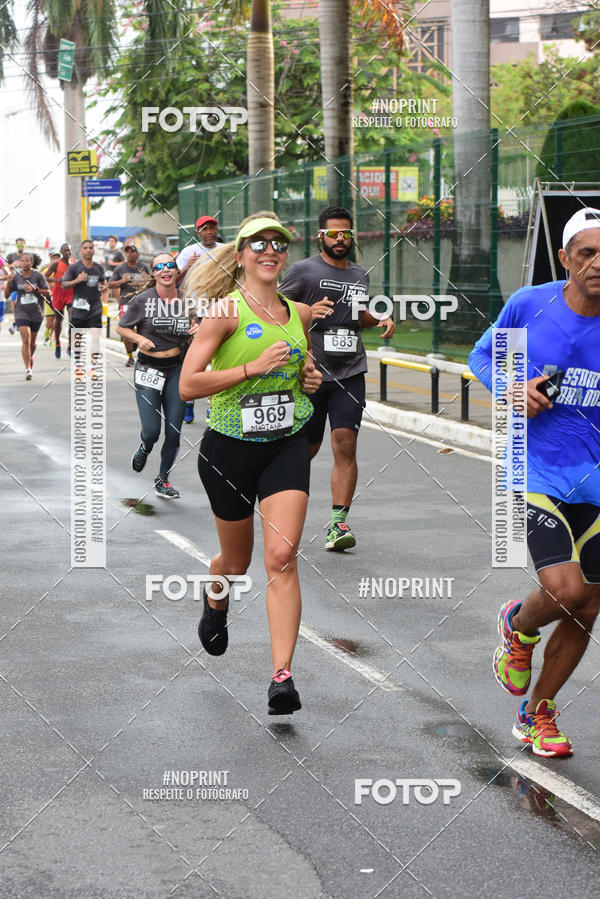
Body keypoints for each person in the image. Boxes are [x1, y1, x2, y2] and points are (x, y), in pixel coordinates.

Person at [469, 207, 600, 758]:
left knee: (590, 604)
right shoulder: (531, 304)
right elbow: (483, 356)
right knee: (566, 591)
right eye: (587, 253)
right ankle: (518, 625)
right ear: (566, 258)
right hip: (536, 468)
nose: (598, 264)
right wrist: (514, 386)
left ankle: (537, 712)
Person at [179, 213, 322, 715]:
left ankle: (282, 676)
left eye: (278, 243)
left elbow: (304, 367)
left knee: (281, 558)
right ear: (239, 255)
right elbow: (188, 385)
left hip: (286, 442)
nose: (270, 249)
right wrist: (251, 368)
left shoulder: (299, 313)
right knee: (235, 564)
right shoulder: (225, 312)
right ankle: (216, 598)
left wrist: (307, 379)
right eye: (258, 243)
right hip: (229, 449)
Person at [279, 205, 394, 551]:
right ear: (321, 236)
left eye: (346, 233)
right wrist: (306, 313)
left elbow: (357, 314)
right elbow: (275, 310)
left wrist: (380, 318)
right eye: (333, 233)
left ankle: (337, 524)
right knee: (307, 449)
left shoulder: (360, 274)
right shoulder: (303, 271)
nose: (340, 239)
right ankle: (277, 500)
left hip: (350, 371)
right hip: (312, 372)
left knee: (345, 444)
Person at [116, 253, 197, 498]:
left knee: (174, 430)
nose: (166, 269)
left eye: (170, 265)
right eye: (159, 266)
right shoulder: (143, 300)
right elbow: (121, 327)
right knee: (152, 431)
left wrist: (197, 329)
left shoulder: (187, 301)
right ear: (154, 273)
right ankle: (145, 446)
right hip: (148, 369)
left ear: (176, 271)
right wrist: (140, 338)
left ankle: (163, 480)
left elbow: (200, 331)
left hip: (177, 370)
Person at [62, 240, 106, 378]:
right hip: (79, 309)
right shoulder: (74, 268)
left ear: (94, 250)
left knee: (95, 337)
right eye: (85, 248)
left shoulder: (98, 268)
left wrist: (104, 288)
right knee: (78, 340)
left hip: (95, 309)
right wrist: (78, 280)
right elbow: (64, 284)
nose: (88, 250)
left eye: (91, 248)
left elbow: (103, 283)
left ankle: (92, 367)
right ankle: (79, 366)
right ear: (81, 251)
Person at [4, 252, 50, 379]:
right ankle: (28, 369)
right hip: (21, 312)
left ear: (31, 263)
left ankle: (30, 356)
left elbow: (48, 292)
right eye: (22, 260)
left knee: (32, 343)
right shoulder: (16, 277)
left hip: (36, 313)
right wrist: (8, 282)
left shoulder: (38, 276)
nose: (23, 263)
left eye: (26, 261)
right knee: (26, 340)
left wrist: (35, 290)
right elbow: (7, 295)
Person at [109, 244, 151, 366]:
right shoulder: (120, 269)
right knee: (127, 330)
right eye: (127, 252)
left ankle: (139, 351)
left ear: (137, 254)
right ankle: (130, 357)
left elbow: (151, 282)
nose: (130, 254)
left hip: (142, 303)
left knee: (142, 329)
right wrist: (122, 281)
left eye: (132, 251)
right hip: (126, 303)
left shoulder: (142, 267)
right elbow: (110, 285)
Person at [45, 243, 74, 359]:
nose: (67, 253)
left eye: (69, 251)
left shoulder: (74, 263)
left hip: (71, 294)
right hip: (58, 294)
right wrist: (57, 279)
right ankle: (57, 343)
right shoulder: (56, 263)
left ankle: (70, 346)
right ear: (61, 252)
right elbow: (46, 276)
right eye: (65, 251)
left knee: (72, 320)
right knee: (59, 320)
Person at [176, 215, 223, 281]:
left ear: (216, 230)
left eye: (212, 228)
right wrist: (188, 267)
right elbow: (174, 279)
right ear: (198, 233)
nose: (209, 232)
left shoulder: (225, 249)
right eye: (204, 229)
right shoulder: (188, 251)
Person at [6, 238, 26, 334]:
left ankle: (19, 323)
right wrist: (12, 265)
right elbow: (5, 267)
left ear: (24, 245)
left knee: (22, 303)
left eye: (22, 245)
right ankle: (16, 322)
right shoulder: (11, 256)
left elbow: (32, 267)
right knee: (14, 303)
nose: (20, 247)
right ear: (16, 245)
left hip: (24, 283)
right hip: (14, 283)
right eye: (19, 245)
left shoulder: (26, 257)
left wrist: (22, 264)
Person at [41, 249, 60, 345]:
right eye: (54, 257)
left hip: (59, 297)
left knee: (57, 320)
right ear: (50, 257)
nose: (56, 259)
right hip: (48, 297)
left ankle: (54, 339)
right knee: (49, 323)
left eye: (57, 257)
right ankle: (47, 336)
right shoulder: (46, 270)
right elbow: (44, 283)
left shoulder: (62, 269)